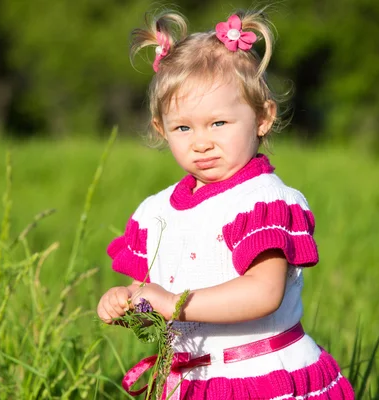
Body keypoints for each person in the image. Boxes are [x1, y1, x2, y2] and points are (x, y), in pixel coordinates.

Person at [97, 8, 354, 399]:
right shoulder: (156, 212)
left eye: (218, 123)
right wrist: (128, 302)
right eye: (183, 128)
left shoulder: (261, 201)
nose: (201, 142)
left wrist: (173, 303)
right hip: (194, 383)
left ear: (262, 118)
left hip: (262, 376)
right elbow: (151, 293)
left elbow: (263, 292)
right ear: (160, 129)